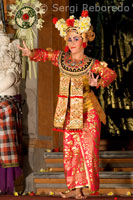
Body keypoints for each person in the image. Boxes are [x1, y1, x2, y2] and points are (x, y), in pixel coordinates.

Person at [18, 10, 117, 199]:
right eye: (69, 39)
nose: (71, 43)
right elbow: (46, 55)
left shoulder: (91, 63)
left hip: (89, 113)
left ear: (84, 40)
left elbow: (110, 74)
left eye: (76, 39)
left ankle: (87, 188)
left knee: (87, 150)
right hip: (70, 115)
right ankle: (75, 188)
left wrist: (99, 82)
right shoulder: (62, 59)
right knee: (71, 153)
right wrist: (31, 53)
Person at [0, 22, 23, 194]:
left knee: (4, 110)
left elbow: (8, 82)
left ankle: (7, 182)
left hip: (7, 103)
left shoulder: (12, 69)